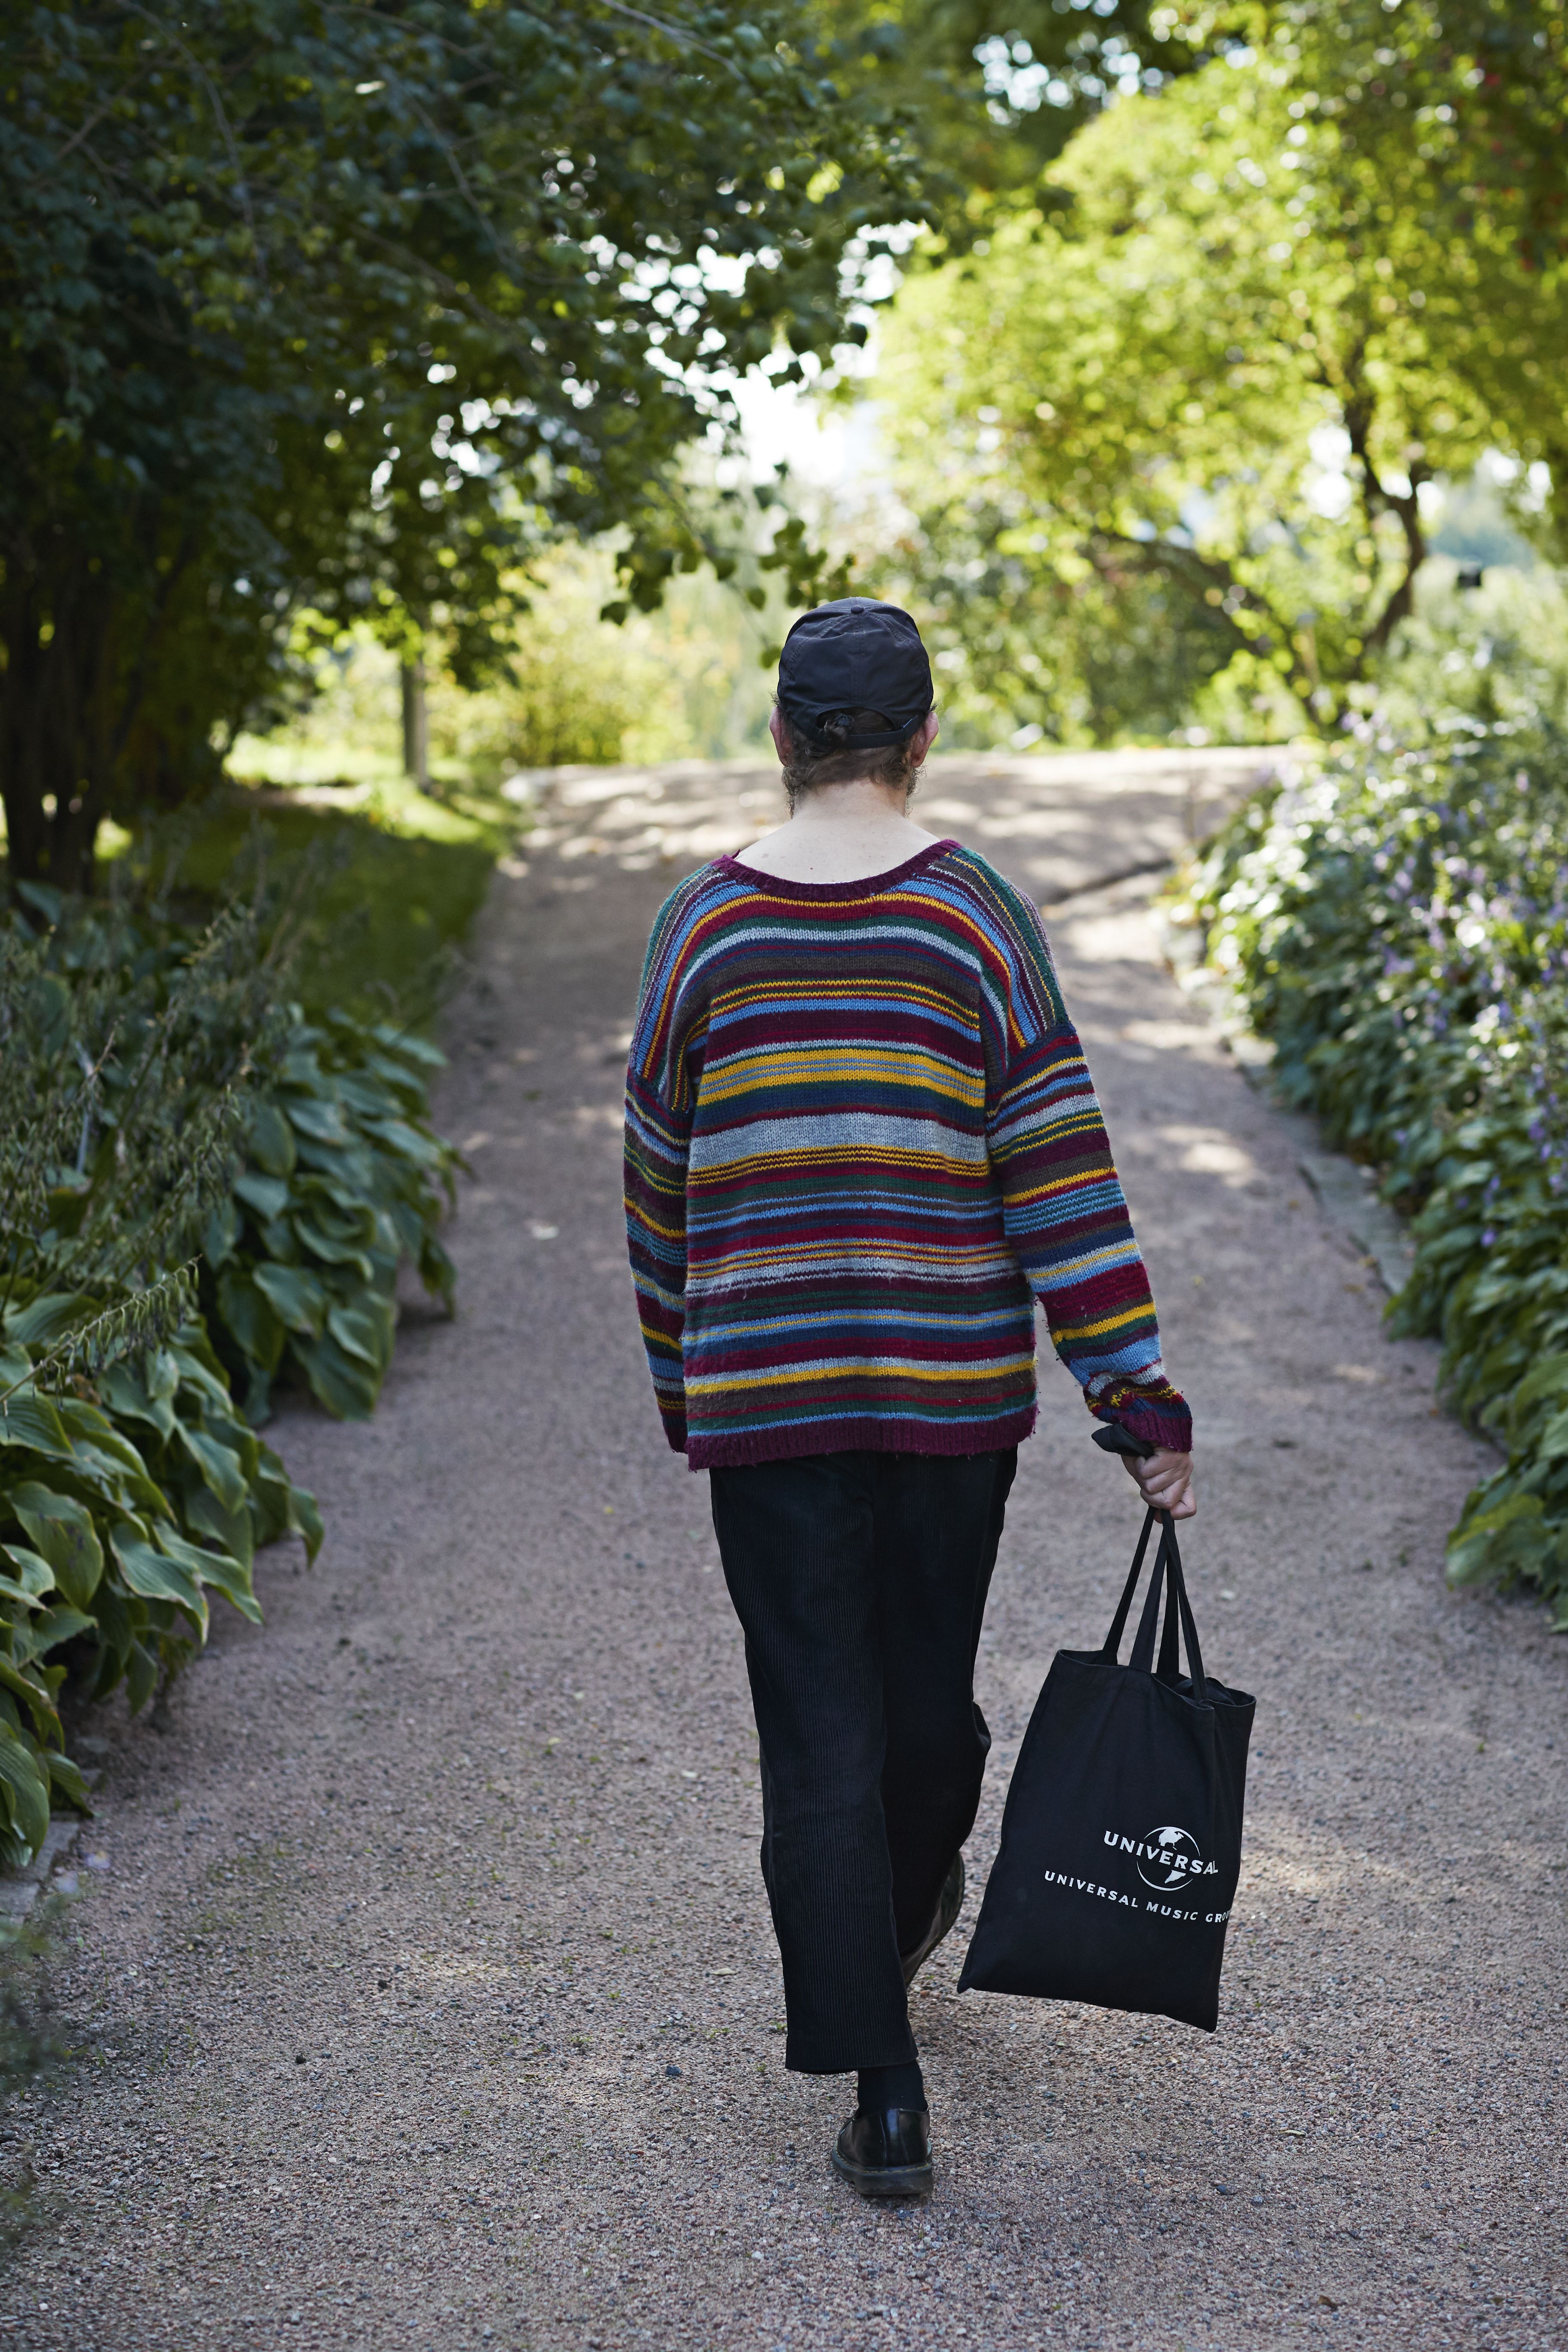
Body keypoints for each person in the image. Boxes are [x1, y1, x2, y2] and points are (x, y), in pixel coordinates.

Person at [623, 598, 1194, 2197]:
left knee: (830, 1730)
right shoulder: (975, 917)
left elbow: (654, 1184)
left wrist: (685, 1380)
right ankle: (886, 2082)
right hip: (950, 1404)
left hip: (769, 1404)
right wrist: (1136, 1392)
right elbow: (1058, 1168)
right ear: (922, 739)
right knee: (920, 1717)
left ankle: (876, 2050)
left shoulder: (702, 928)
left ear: (784, 737)